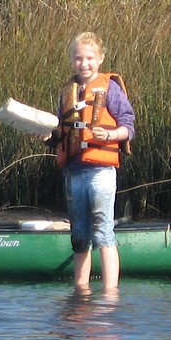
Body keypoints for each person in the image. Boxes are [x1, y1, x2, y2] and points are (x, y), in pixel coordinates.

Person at [48, 32, 135, 292]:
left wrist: (109, 134)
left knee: (102, 231)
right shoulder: (67, 92)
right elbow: (60, 136)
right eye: (78, 58)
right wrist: (46, 136)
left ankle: (110, 293)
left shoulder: (110, 88)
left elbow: (128, 127)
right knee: (79, 235)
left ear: (100, 59)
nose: (83, 64)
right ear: (71, 61)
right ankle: (81, 290)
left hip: (101, 172)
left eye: (89, 58)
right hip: (74, 172)